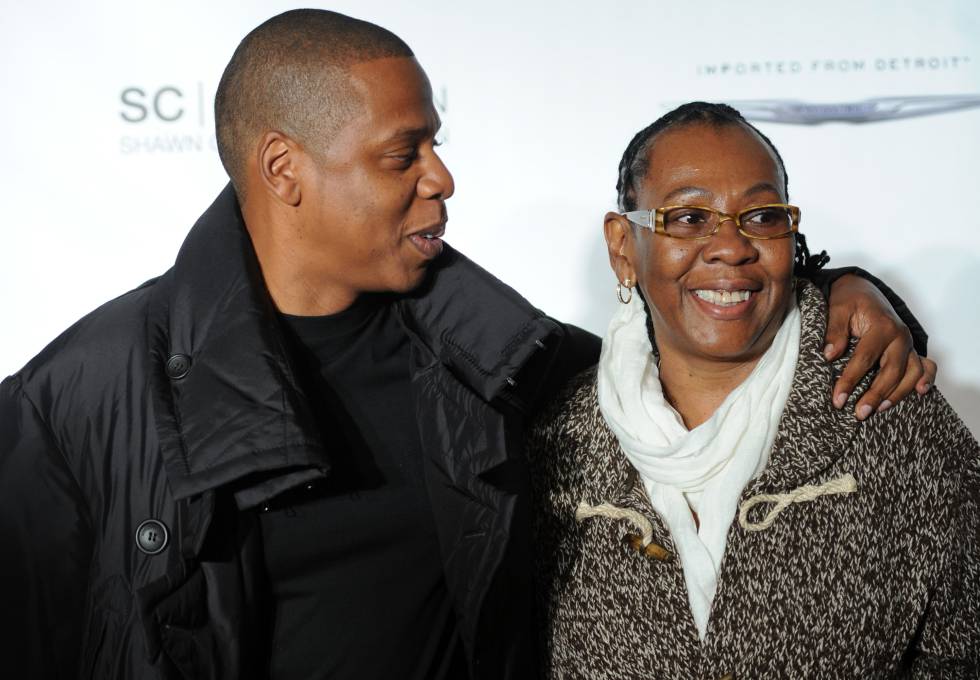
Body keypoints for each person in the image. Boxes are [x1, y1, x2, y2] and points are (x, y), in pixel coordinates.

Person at [0, 11, 933, 680]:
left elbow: (701, 315)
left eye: (435, 146)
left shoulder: (493, 357)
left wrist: (836, 287)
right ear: (284, 168)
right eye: (402, 155)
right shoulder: (77, 397)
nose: (443, 179)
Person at [527, 102, 979, 678]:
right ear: (623, 247)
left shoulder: (895, 416)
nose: (732, 247)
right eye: (689, 218)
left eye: (762, 216)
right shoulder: (553, 444)